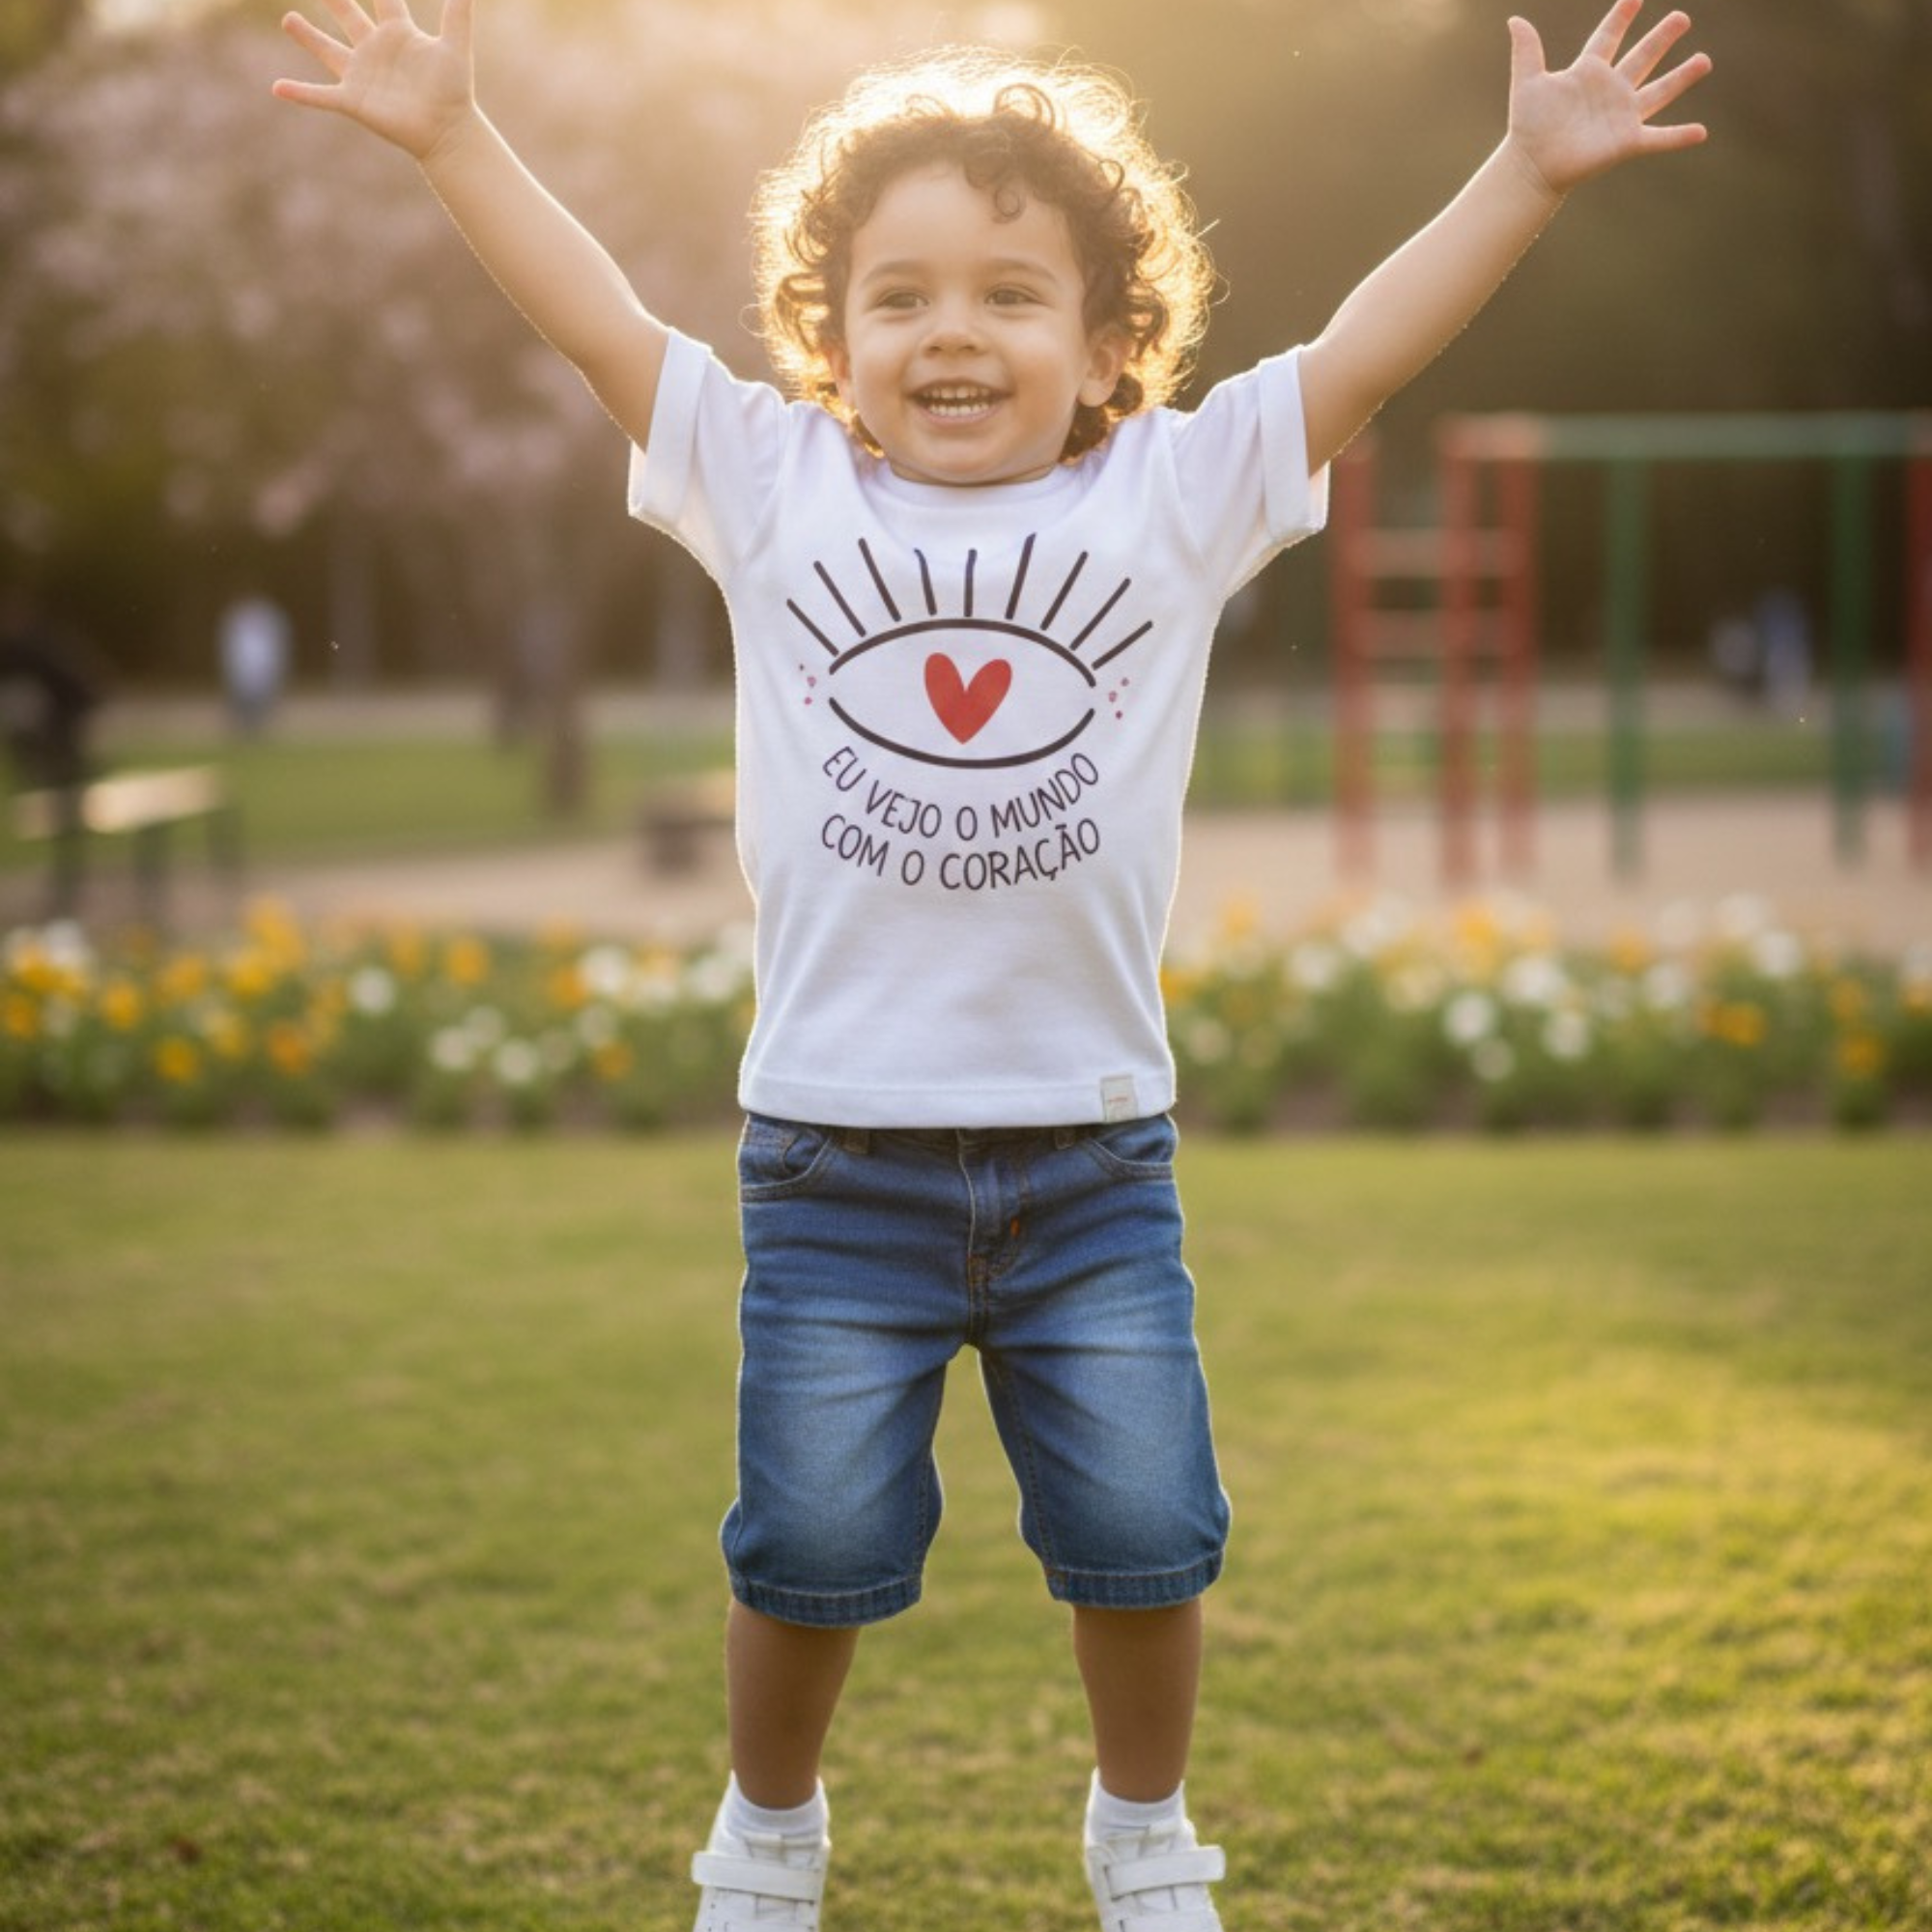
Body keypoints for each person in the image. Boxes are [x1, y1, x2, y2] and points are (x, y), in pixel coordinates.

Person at [272, 4, 1711, 1924]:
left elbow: (1365, 346)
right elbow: (600, 321)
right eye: (900, 295)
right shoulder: (776, 490)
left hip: (1090, 1165)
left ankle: (1144, 1839)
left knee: (1143, 1535)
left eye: (1012, 292)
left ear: (1116, 340)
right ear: (831, 335)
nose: (952, 332)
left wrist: (1522, 174)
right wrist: (456, 142)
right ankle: (764, 1841)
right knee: (802, 1542)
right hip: (833, 1160)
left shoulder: (1172, 500)